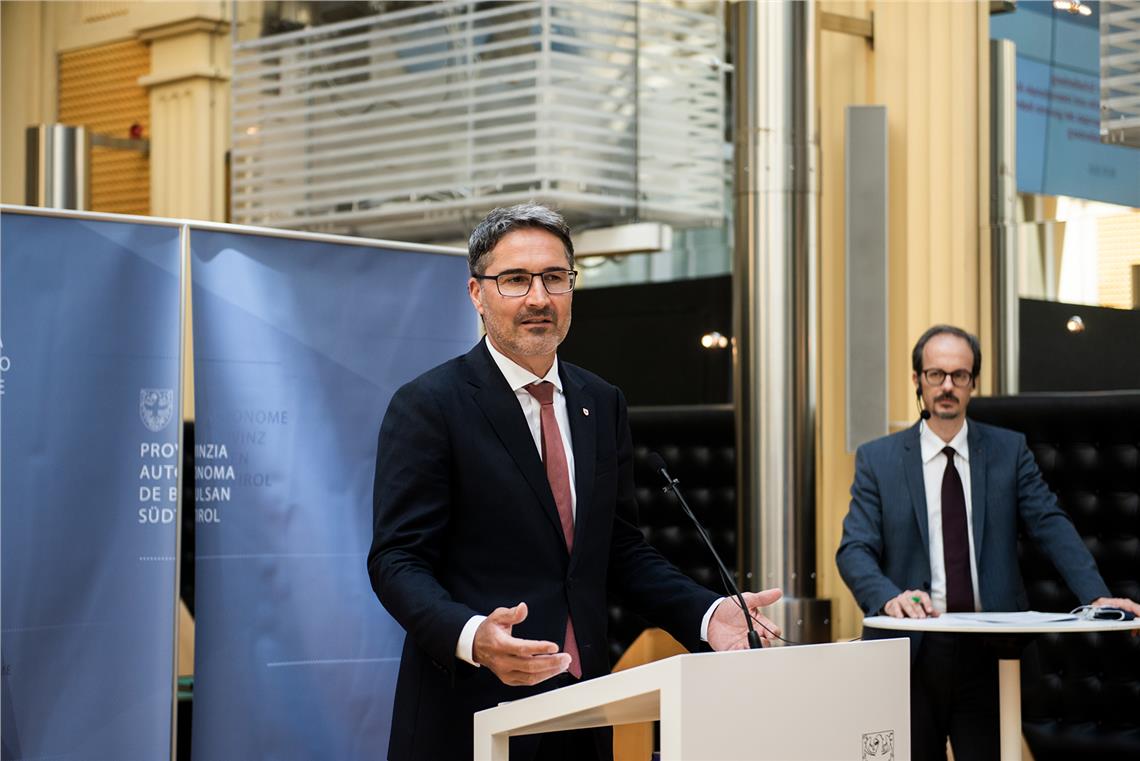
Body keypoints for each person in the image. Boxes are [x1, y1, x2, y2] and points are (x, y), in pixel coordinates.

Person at [368, 203, 782, 761]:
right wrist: (472, 635)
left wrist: (707, 614)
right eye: (515, 279)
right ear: (476, 293)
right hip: (470, 711)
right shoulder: (429, 405)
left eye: (554, 278)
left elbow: (619, 549)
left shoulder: (600, 401)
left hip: (582, 711)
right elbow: (397, 560)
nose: (539, 298)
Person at [836, 324, 1140, 761]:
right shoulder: (877, 459)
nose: (947, 386)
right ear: (917, 379)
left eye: (959, 375)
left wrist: (1097, 596)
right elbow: (854, 549)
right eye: (936, 374)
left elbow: (1050, 524)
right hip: (910, 653)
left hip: (991, 653)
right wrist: (888, 598)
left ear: (973, 382)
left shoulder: (1008, 451)